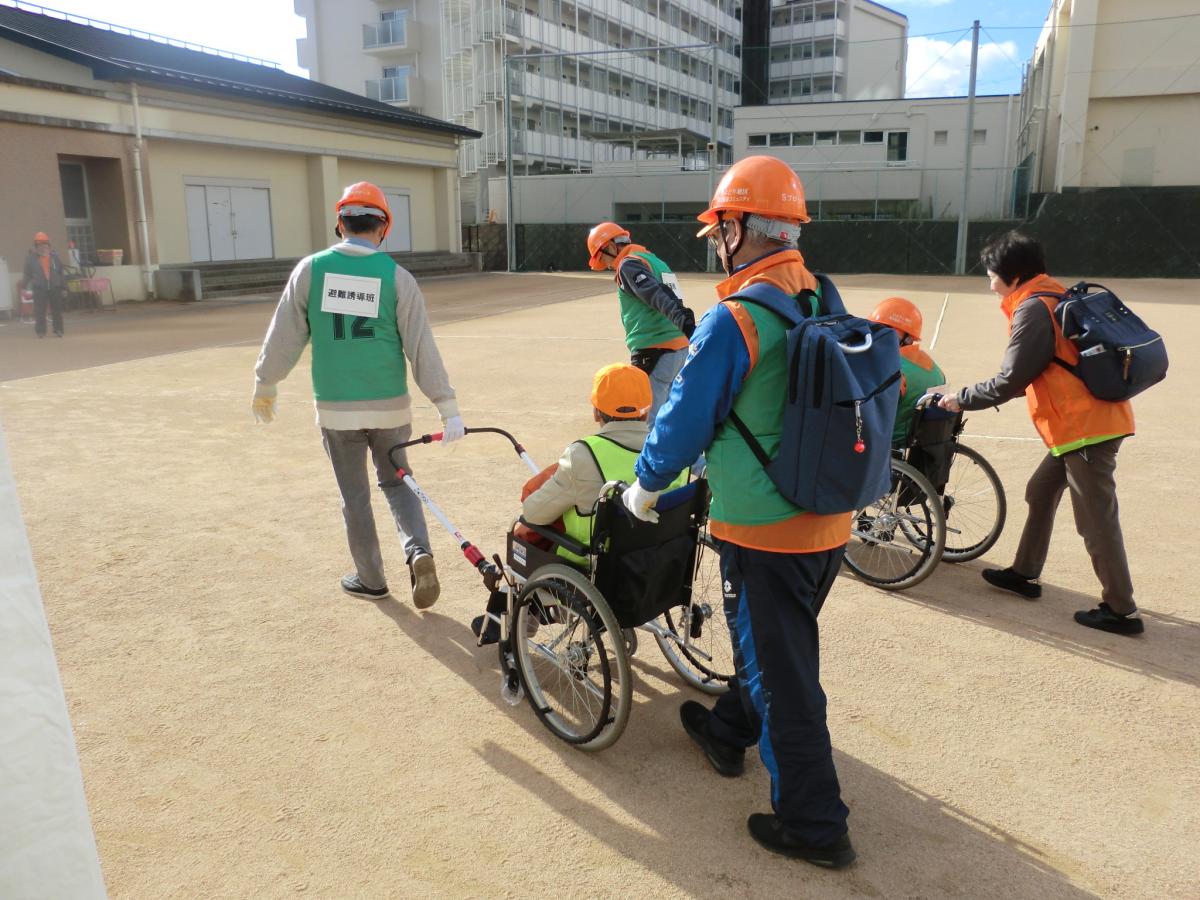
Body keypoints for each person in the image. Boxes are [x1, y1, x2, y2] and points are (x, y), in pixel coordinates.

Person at [622, 156, 856, 868]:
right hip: (828, 516)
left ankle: (815, 825)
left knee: (785, 680)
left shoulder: (737, 318)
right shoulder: (823, 294)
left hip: (763, 529)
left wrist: (644, 484)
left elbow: (684, 419)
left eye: (717, 228)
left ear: (739, 227)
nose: (714, 242)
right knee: (779, 649)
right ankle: (728, 732)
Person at [252, 182, 464, 608]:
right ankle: (418, 551)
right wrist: (447, 406)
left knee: (355, 497)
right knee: (398, 483)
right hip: (390, 408)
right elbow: (421, 348)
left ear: (340, 223)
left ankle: (371, 579)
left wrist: (266, 383)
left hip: (336, 410)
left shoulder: (311, 271)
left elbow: (284, 337)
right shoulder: (397, 278)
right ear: (384, 227)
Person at [937, 231, 1142, 636]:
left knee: (1096, 520)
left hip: (1085, 429)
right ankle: (1025, 573)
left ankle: (1122, 610)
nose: (989, 282)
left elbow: (1011, 379)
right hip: (1085, 424)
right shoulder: (1054, 294)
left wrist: (960, 398)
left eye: (992, 274)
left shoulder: (1033, 309)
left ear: (1012, 276)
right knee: (1041, 490)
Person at [471, 363, 688, 644]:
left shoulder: (584, 454)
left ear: (596, 411)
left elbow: (533, 512)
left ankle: (526, 614)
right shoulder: (671, 449)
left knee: (525, 533)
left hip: (593, 573)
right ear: (647, 408)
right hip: (661, 564)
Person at [586, 222, 696, 421]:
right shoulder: (655, 261)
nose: (609, 266)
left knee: (645, 422)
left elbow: (656, 294)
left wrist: (684, 320)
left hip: (654, 352)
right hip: (679, 350)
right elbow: (670, 294)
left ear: (611, 247)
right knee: (673, 420)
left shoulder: (628, 265)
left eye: (603, 259)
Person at [868, 297, 946, 445]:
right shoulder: (935, 370)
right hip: (918, 441)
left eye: (876, 330)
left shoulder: (890, 368)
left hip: (887, 443)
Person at [22, 231, 67, 338]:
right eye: (40, 245)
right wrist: (24, 287)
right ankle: (41, 332)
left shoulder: (54, 258)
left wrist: (64, 287)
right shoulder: (30, 259)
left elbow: (61, 273)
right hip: (39, 288)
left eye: (45, 244)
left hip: (55, 287)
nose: (43, 247)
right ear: (36, 246)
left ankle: (58, 330)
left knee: (57, 310)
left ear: (48, 245)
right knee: (39, 311)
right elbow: (27, 274)